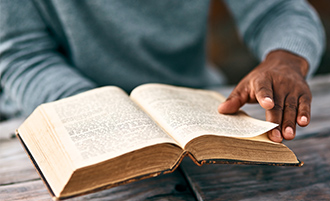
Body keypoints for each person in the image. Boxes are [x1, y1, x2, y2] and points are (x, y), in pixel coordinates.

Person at [0, 0, 325, 143]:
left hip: (189, 112)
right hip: (55, 115)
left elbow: (278, 8)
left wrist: (287, 58)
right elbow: (23, 59)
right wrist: (105, 113)